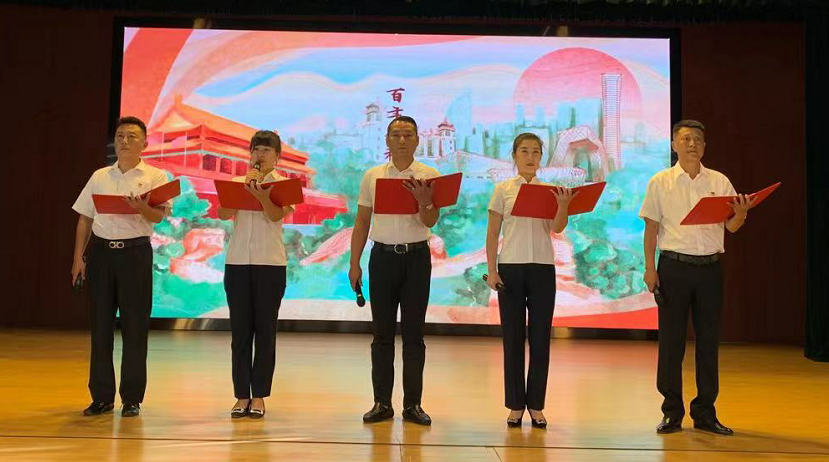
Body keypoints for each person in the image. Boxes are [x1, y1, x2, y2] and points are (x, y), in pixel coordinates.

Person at [640, 119, 755, 436]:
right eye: (686, 139)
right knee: (671, 343)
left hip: (710, 269)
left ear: (705, 147)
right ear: (674, 145)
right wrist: (650, 268)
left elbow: (731, 226)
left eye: (698, 140)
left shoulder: (719, 180)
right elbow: (651, 229)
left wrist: (742, 212)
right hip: (673, 268)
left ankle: (705, 412)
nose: (692, 144)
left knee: (708, 341)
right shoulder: (660, 181)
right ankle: (671, 412)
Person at [71, 116, 171, 417]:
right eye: (120, 136)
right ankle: (101, 397)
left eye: (131, 136)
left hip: (135, 254)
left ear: (145, 143)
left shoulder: (156, 176)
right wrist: (78, 258)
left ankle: (131, 398)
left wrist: (142, 207)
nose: (124, 141)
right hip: (101, 255)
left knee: (135, 327)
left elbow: (158, 217)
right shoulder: (100, 175)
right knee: (101, 327)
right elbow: (85, 218)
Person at [349, 116, 440, 426]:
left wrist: (425, 202)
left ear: (417, 140)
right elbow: (362, 221)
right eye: (396, 134)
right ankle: (382, 403)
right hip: (382, 259)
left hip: (417, 258)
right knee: (382, 334)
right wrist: (354, 263)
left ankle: (413, 405)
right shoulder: (373, 176)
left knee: (414, 335)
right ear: (387, 140)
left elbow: (430, 221)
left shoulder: (429, 175)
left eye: (408, 135)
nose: (402, 140)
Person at [485, 133, 577, 429]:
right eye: (524, 151)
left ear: (541, 157)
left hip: (542, 269)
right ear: (514, 155)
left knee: (540, 340)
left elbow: (557, 228)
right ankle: (515, 405)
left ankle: (536, 405)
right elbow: (492, 232)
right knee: (512, 339)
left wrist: (562, 206)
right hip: (510, 268)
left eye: (536, 152)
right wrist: (492, 270)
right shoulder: (503, 190)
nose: (530, 157)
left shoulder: (549, 191)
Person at [217, 130, 293, 419]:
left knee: (265, 332)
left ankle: (259, 396)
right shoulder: (238, 182)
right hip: (237, 263)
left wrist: (262, 196)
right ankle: (241, 395)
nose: (260, 156)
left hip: (270, 264)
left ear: (277, 156)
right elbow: (223, 213)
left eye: (266, 151)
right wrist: (244, 189)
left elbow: (275, 215)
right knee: (240, 333)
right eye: (256, 150)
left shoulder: (283, 184)